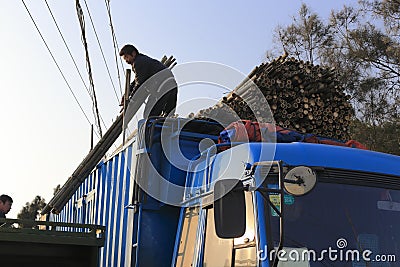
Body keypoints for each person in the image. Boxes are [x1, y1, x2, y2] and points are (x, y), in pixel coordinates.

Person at [119, 44, 178, 118]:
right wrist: (126, 94)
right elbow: (136, 81)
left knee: (149, 115)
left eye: (127, 57)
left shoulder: (138, 62)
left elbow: (139, 84)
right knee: (168, 116)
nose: (127, 61)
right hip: (172, 85)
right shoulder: (144, 61)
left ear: (133, 53)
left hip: (162, 87)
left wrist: (131, 101)